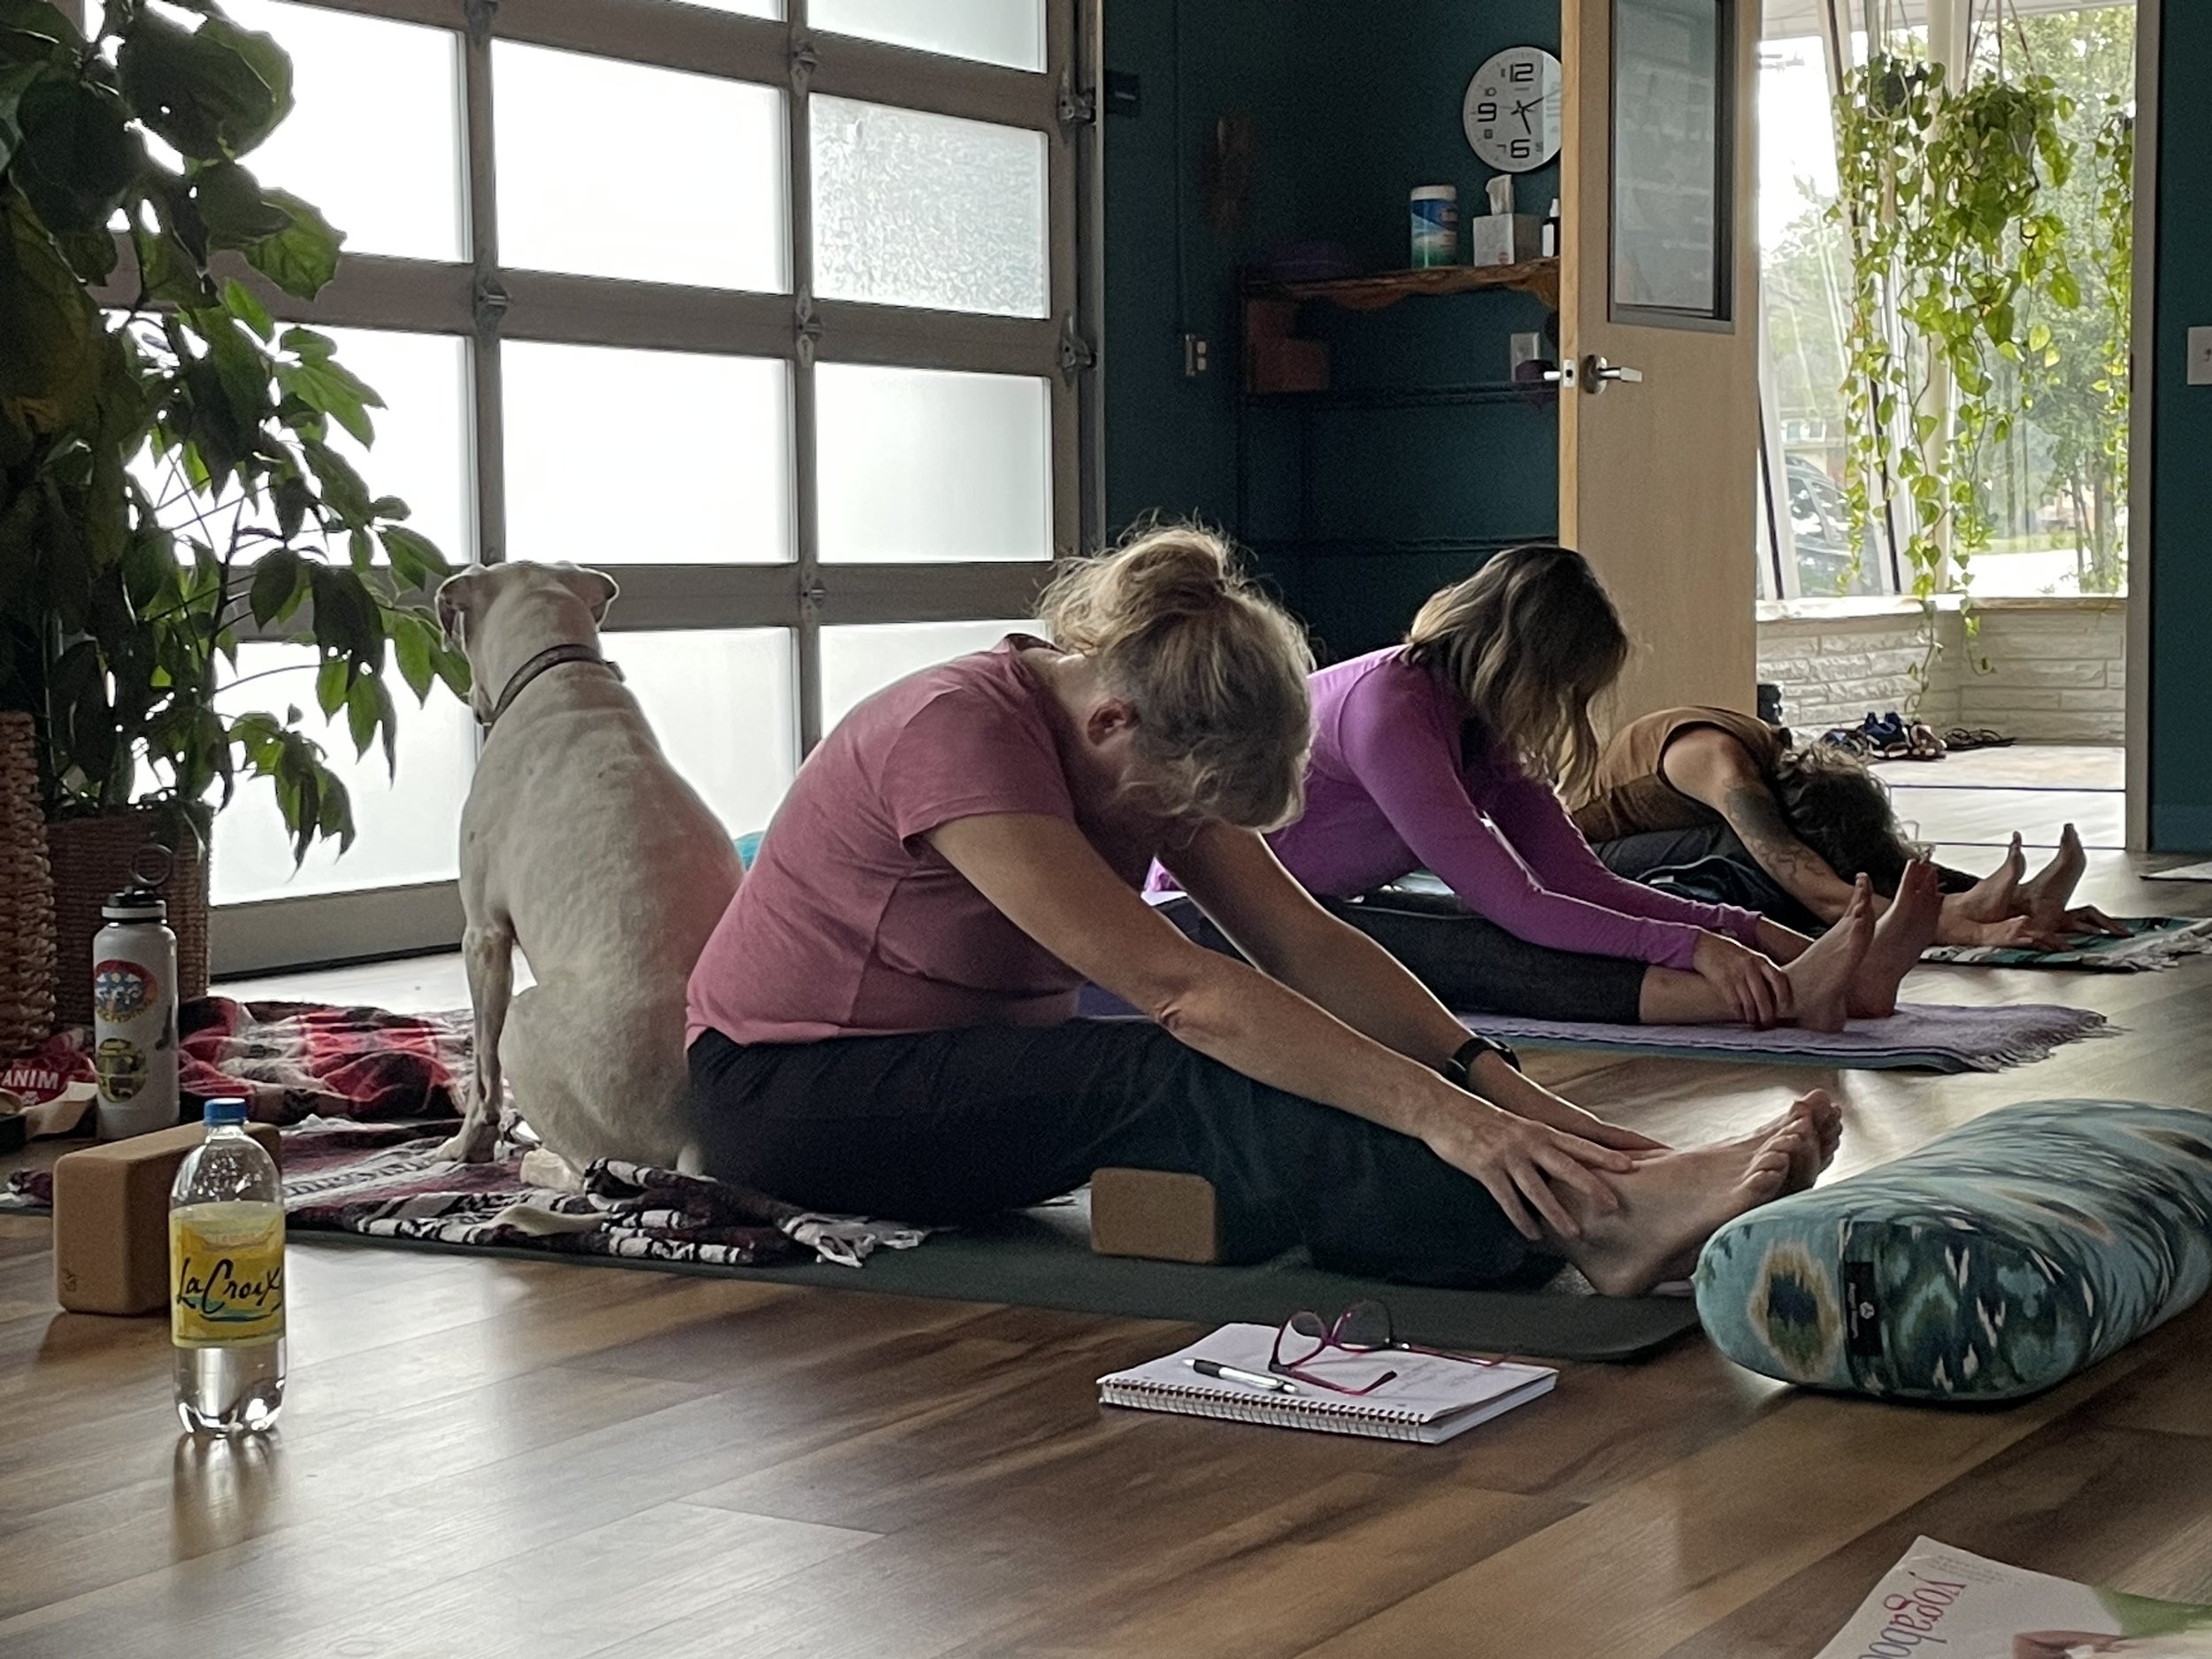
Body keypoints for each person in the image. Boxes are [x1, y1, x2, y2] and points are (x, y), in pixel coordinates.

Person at [684, 526, 1839, 1295]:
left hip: (958, 1072)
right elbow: (1185, 989)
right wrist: (1458, 1126)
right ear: (1111, 726)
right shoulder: (956, 732)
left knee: (1258, 1066)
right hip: (793, 1097)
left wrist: (1502, 1086)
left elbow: (1306, 939)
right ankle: (1586, 1219)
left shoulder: (1162, 711)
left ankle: (1591, 1187)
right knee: (1178, 1063)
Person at [1151, 545, 1938, 1032]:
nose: (1568, 714)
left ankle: (1832, 980)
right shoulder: (1390, 709)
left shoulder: (1476, 718)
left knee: (1515, 921)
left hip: (1299, 913)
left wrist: (1752, 933)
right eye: (1569, 690)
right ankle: (1784, 998)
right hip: (1208, 921)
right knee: (1480, 941)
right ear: (1527, 668)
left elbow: (1577, 879)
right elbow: (1519, 906)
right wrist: (1697, 947)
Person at [1571, 705, 2124, 949]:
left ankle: (2004, 898)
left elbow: (1873, 853)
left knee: (1803, 863)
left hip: (1656, 840)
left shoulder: (1780, 756)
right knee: (1743, 858)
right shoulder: (1722, 767)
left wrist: (2001, 895)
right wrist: (1959, 928)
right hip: (1576, 859)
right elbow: (1827, 895)